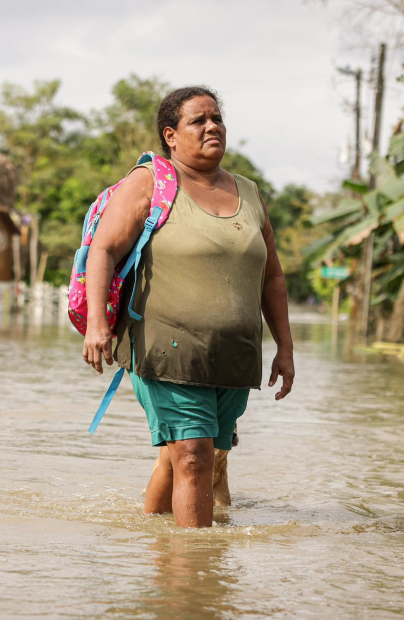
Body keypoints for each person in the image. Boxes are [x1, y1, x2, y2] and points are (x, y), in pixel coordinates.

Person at [81, 86, 295, 528]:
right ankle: (194, 579)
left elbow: (271, 277)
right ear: (171, 135)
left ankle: (152, 535)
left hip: (234, 357)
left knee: (197, 456)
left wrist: (286, 349)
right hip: (168, 348)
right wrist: (97, 325)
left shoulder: (250, 193)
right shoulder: (150, 184)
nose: (212, 126)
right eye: (198, 120)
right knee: (194, 458)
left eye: (217, 118)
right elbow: (102, 250)